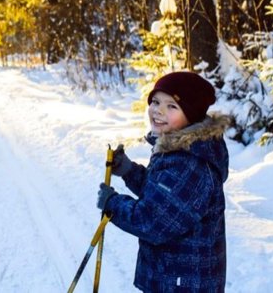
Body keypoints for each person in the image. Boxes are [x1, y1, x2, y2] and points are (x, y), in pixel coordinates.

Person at [97, 71, 229, 292]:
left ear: (192, 115)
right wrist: (129, 171)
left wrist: (113, 204)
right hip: (173, 276)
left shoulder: (191, 163)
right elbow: (164, 196)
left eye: (172, 106)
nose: (158, 110)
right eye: (156, 101)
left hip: (183, 283)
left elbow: (153, 221)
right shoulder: (178, 149)